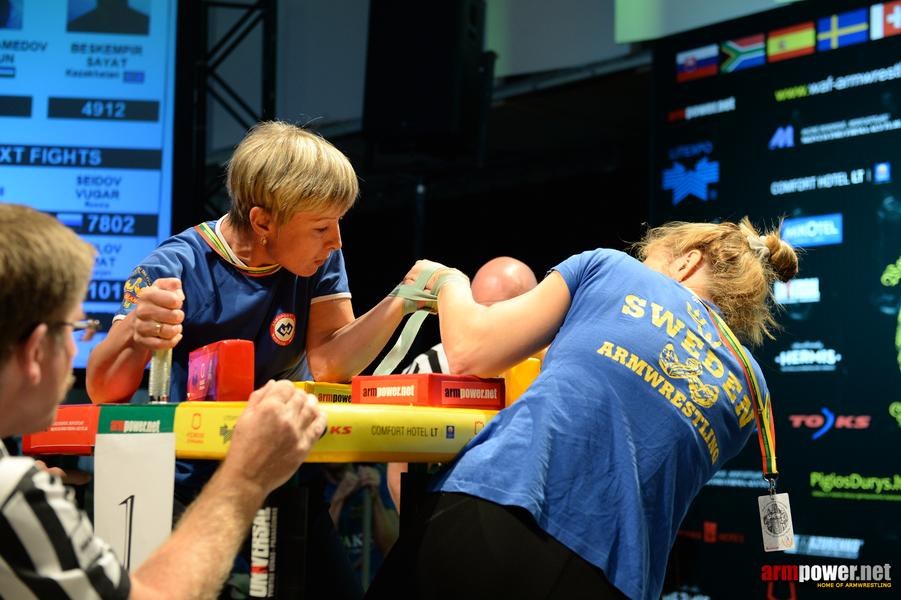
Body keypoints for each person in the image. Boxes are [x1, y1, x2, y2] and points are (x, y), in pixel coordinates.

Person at [368, 218, 799, 600]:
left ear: (686, 262)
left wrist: (449, 283)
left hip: (501, 506)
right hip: (619, 577)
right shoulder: (750, 385)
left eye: (649, 260)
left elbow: (469, 351)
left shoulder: (611, 268)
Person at [86, 120, 423, 598]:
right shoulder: (174, 265)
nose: (337, 242)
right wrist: (137, 334)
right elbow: (104, 389)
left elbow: (328, 363)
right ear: (263, 221)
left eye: (338, 224)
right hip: (191, 489)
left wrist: (402, 300)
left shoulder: (320, 260)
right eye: (322, 227)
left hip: (280, 475)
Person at [0, 203, 327, 599]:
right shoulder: (13, 494)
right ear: (36, 351)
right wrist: (246, 477)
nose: (75, 348)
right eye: (75, 328)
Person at [387, 256, 539, 511]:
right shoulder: (432, 368)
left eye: (496, 312)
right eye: (478, 312)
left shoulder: (552, 369)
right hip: (449, 518)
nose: (484, 325)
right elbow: (399, 467)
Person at [402, 256, 538, 375]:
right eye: (481, 314)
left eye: (502, 317)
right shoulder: (430, 367)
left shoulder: (552, 365)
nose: (488, 329)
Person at [323, 464, 398, 588]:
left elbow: (390, 545)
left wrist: (375, 498)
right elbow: (321, 547)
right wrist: (338, 499)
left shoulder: (376, 479)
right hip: (338, 586)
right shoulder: (317, 486)